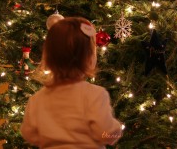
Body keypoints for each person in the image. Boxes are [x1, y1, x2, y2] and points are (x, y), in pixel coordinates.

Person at [20, 17, 123, 149]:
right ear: (89, 57)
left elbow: (28, 133)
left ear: (48, 56)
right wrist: (116, 130)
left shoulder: (37, 99)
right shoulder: (95, 95)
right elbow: (106, 133)